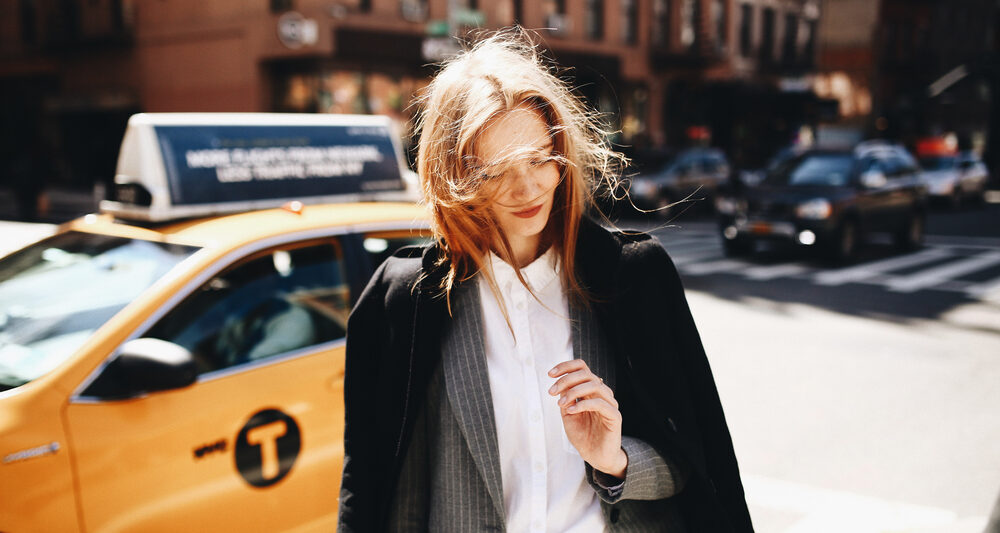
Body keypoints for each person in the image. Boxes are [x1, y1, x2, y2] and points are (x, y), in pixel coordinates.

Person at [338, 28, 753, 532]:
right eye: (495, 170)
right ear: (453, 176)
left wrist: (614, 459)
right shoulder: (404, 300)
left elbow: (695, 465)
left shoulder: (632, 278)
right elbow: (371, 486)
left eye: (540, 158)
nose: (529, 186)